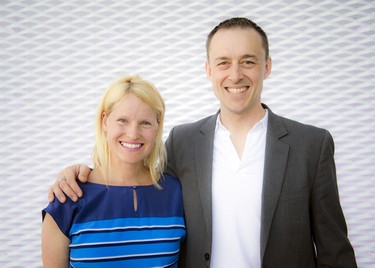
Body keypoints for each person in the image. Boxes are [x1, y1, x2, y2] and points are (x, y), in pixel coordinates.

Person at [48, 18, 357, 267]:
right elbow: (135, 174)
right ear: (209, 71)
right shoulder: (183, 142)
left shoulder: (311, 145)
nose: (235, 74)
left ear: (267, 67)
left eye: (248, 61)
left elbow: (334, 252)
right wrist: (77, 172)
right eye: (223, 63)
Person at [42, 75, 186, 267]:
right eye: (122, 120)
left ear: (157, 125)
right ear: (104, 122)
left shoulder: (177, 193)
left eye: (145, 122)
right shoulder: (68, 197)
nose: (133, 133)